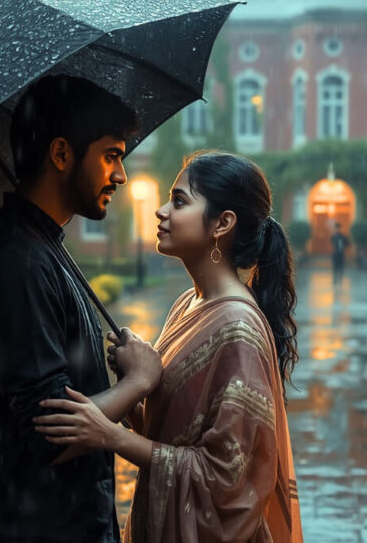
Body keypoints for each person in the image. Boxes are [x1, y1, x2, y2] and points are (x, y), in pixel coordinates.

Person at [35, 151, 304, 543]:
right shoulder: (188, 303)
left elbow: (227, 478)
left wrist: (111, 437)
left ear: (222, 223)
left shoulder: (239, 330)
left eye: (179, 201)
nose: (161, 211)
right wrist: (137, 380)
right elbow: (173, 430)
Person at [0, 75, 162, 543]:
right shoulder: (16, 262)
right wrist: (139, 382)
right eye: (111, 155)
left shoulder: (39, 247)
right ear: (62, 154)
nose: (121, 176)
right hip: (32, 528)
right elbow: (49, 435)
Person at [330, 221, 350, 286]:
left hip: (341, 254)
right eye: (335, 228)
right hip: (335, 254)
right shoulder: (333, 236)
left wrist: (343, 247)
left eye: (337, 228)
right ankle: (335, 279)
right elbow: (332, 243)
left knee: (341, 267)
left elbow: (347, 244)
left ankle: (340, 279)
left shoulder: (342, 237)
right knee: (335, 267)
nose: (336, 229)